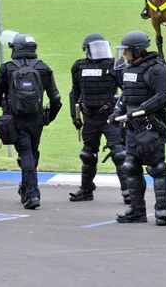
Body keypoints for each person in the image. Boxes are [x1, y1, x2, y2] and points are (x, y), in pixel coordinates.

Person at [0, 33, 62, 210]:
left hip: (15, 119)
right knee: (31, 153)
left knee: (25, 154)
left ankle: (32, 193)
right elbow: (56, 99)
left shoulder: (7, 69)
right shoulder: (43, 68)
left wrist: (7, 105)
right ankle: (26, 189)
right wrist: (48, 118)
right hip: (37, 119)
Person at [109, 31, 166, 226]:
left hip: (151, 127)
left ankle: (161, 210)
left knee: (156, 167)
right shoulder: (128, 70)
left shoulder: (157, 69)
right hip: (132, 129)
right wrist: (116, 112)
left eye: (127, 51)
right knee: (130, 166)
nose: (125, 55)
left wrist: (140, 110)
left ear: (137, 50)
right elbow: (125, 96)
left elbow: (164, 97)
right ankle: (137, 211)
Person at [68, 33, 129, 204]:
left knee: (119, 154)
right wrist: (75, 116)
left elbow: (127, 90)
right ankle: (86, 190)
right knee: (87, 154)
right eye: (95, 47)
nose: (100, 50)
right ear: (87, 49)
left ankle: (128, 191)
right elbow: (75, 92)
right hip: (89, 117)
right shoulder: (79, 67)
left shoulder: (114, 66)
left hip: (109, 117)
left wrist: (119, 111)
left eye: (102, 46)